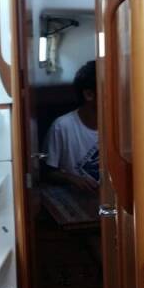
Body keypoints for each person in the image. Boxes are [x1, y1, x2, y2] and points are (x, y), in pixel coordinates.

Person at [43, 61, 99, 193]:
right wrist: (71, 179)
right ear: (89, 95)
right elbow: (47, 172)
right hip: (73, 197)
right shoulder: (62, 126)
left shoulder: (119, 125)